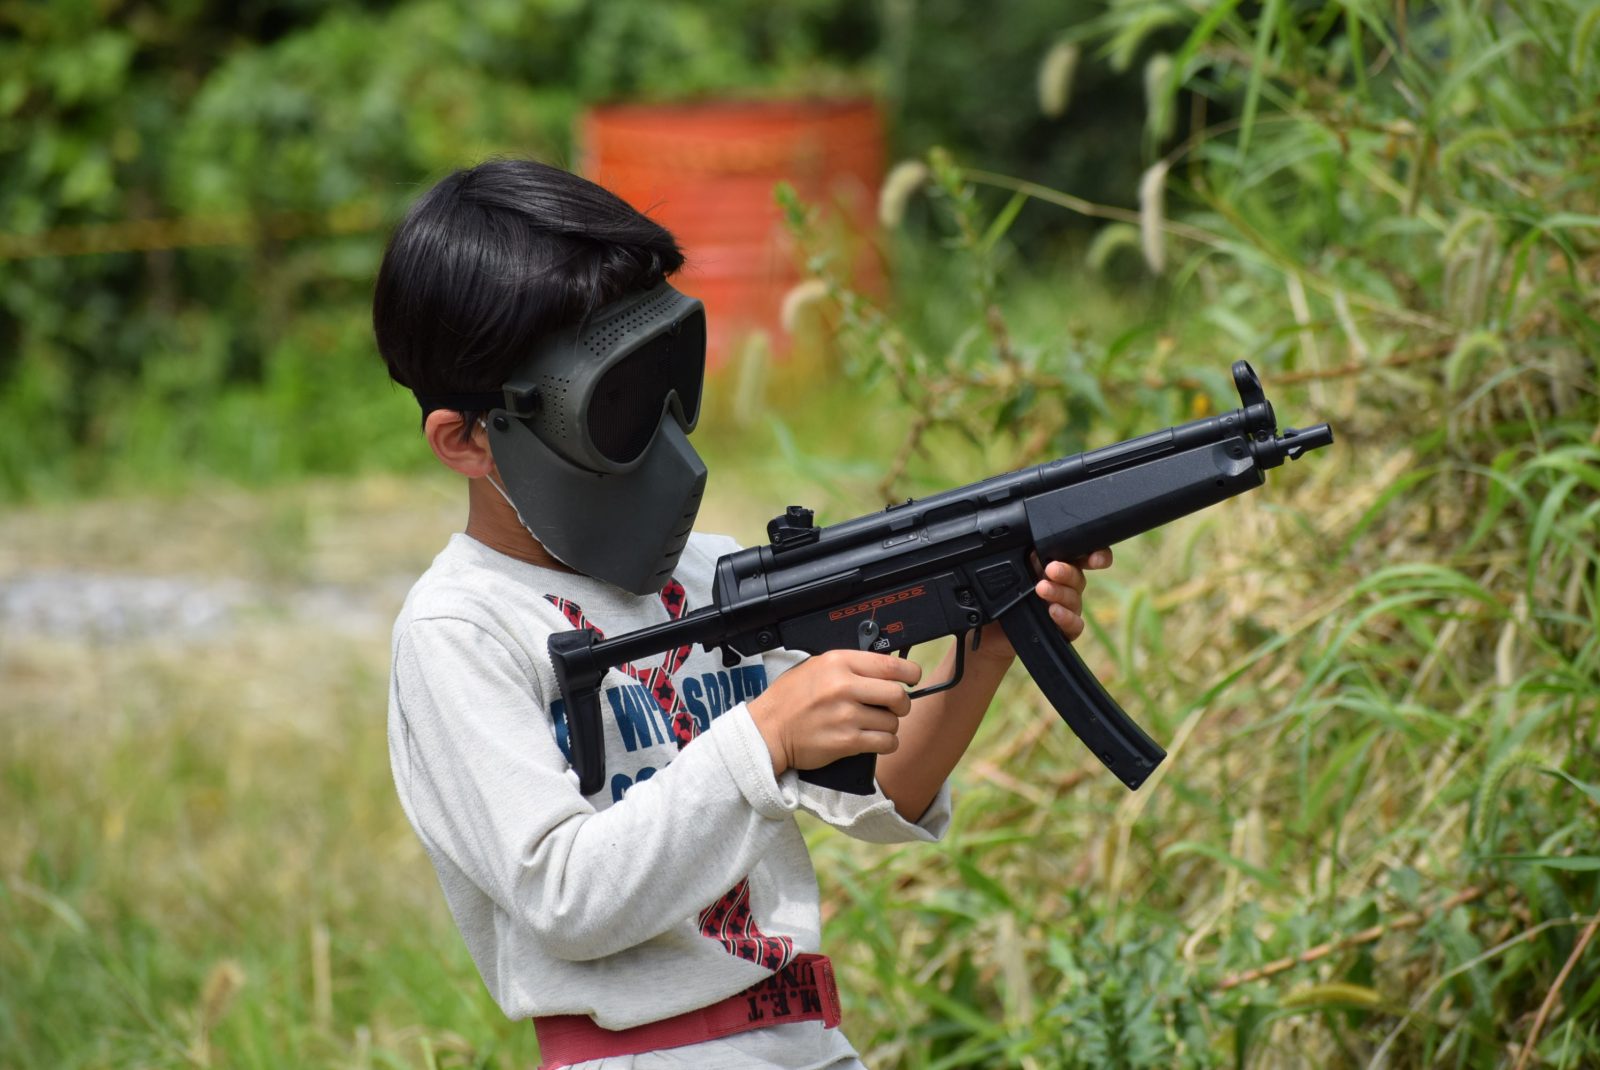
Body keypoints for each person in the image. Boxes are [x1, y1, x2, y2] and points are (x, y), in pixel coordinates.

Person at [373, 158, 1112, 1070]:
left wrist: (988, 641)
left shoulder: (706, 573)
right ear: (466, 439)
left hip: (807, 1041)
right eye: (614, 404)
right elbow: (562, 896)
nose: (661, 432)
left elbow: (878, 793)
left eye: (665, 377)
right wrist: (760, 740)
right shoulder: (462, 632)